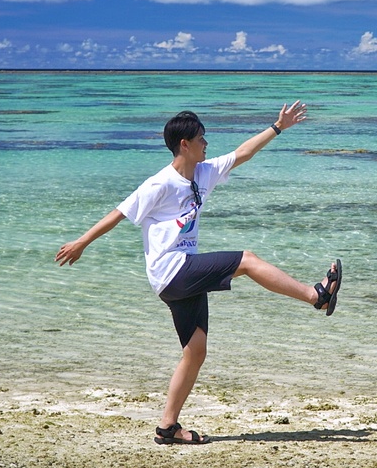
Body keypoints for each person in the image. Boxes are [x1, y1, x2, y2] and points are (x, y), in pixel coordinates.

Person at [56, 101, 342, 446]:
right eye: (201, 138)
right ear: (185, 144)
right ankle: (316, 295)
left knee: (196, 351)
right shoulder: (159, 184)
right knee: (247, 260)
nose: (207, 143)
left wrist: (277, 127)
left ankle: (167, 427)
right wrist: (81, 242)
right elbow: (119, 213)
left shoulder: (204, 172)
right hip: (172, 270)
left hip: (178, 276)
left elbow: (243, 153)